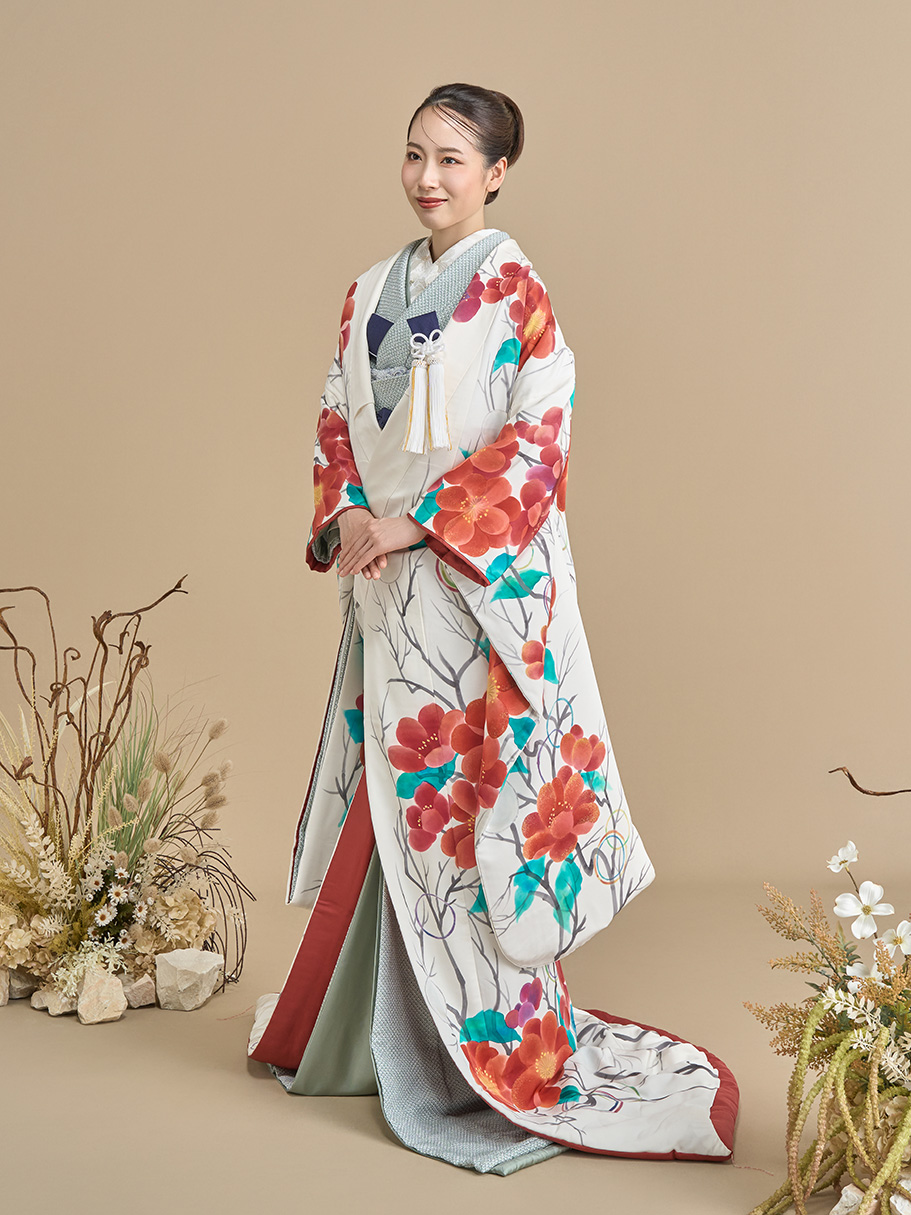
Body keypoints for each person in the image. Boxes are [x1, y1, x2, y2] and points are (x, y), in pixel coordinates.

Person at [248, 82, 739, 1175]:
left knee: (463, 816)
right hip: (383, 589)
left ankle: (477, 1051)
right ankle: (364, 1039)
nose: (427, 178)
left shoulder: (515, 289)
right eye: (414, 155)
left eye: (452, 160)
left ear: (497, 172)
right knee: (393, 802)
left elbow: (535, 444)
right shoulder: (366, 292)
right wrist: (348, 515)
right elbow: (334, 418)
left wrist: (413, 520)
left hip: (467, 594)